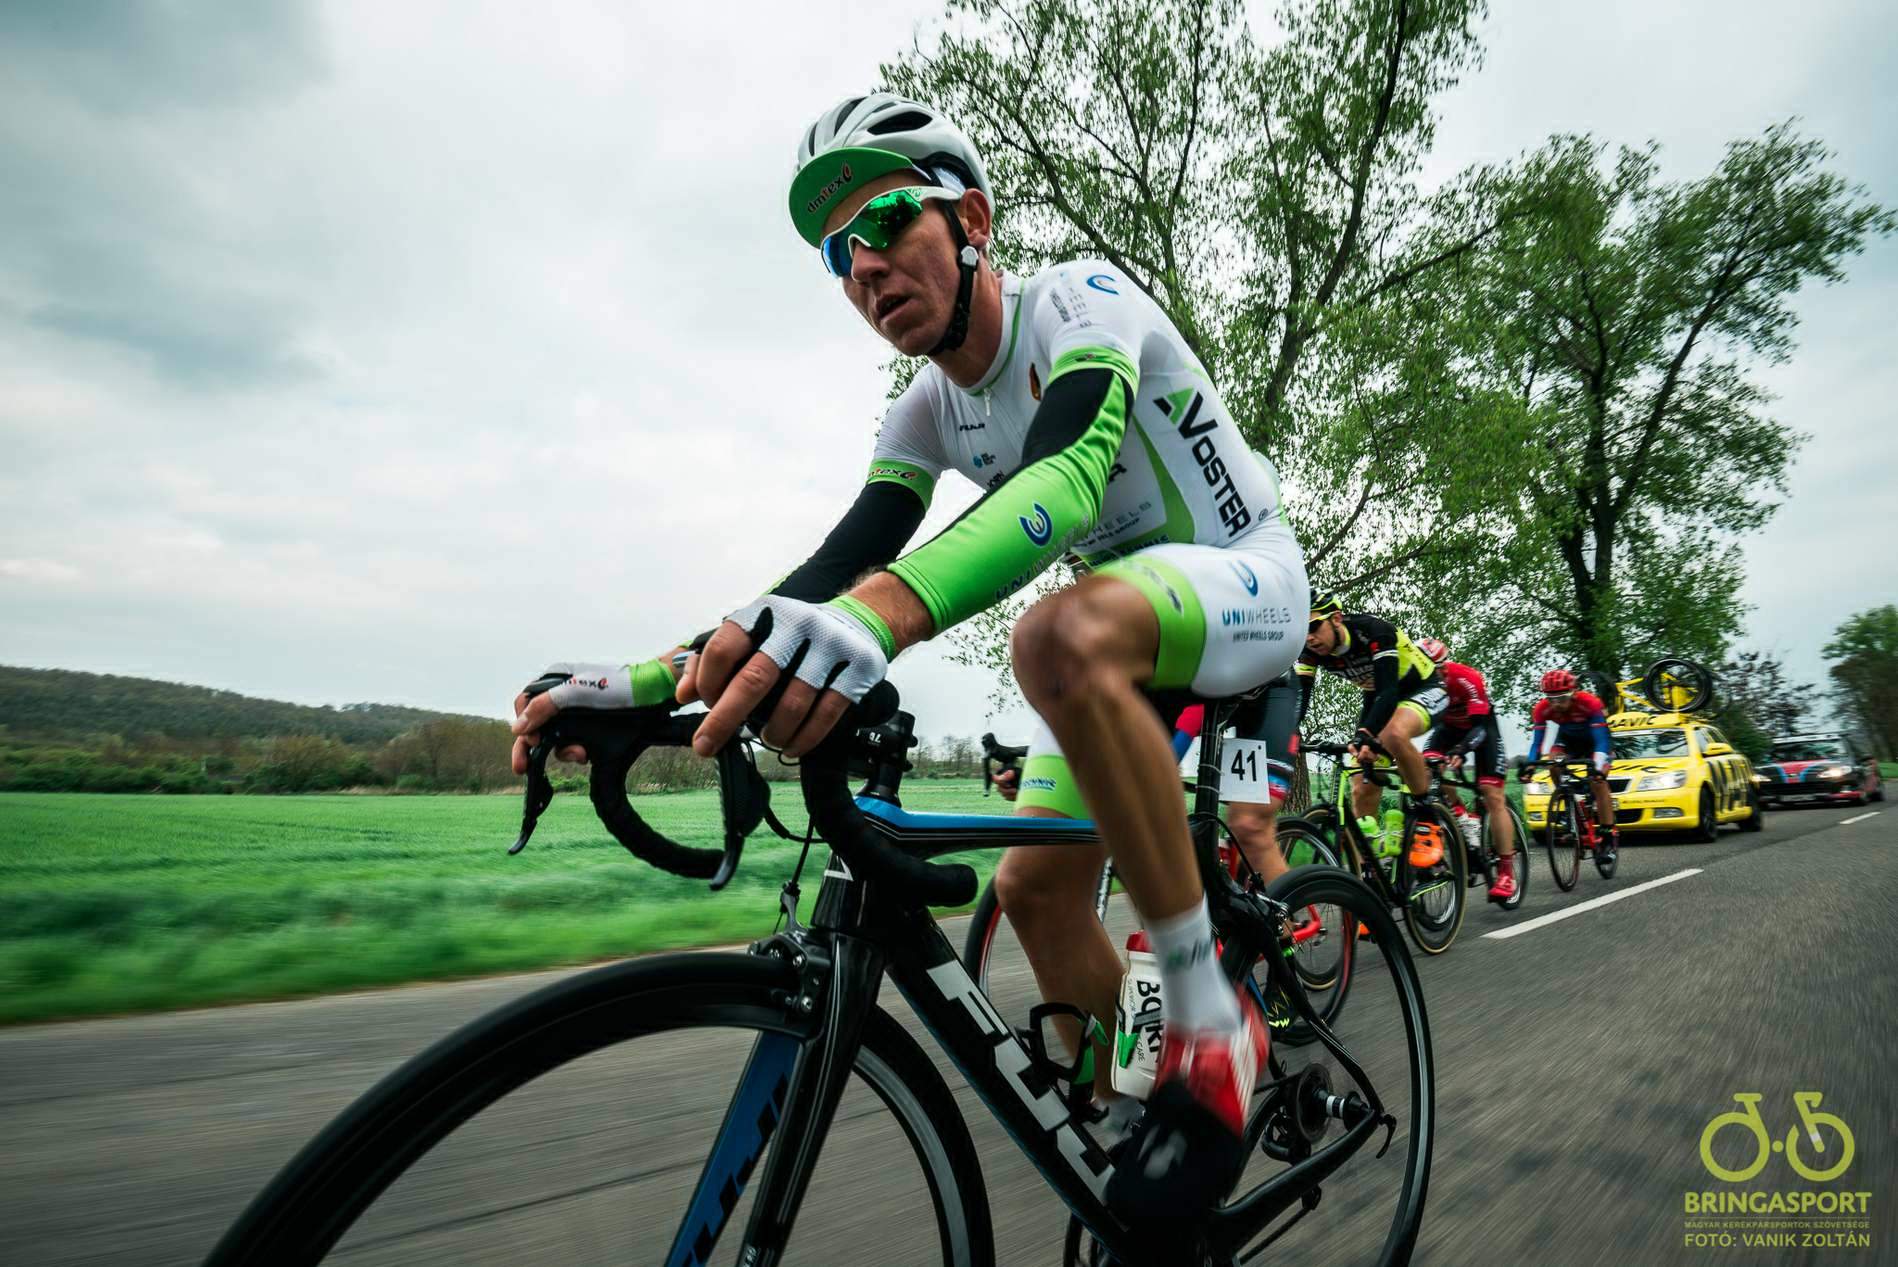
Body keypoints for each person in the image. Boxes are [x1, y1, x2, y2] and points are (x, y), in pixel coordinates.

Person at [508, 92, 1308, 1225]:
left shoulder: (1081, 300)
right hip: (1125, 621)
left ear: (970, 220)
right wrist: (644, 681)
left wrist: (884, 616)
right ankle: (1137, 1135)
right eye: (839, 254)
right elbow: (833, 567)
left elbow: (1070, 469)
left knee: (1054, 632)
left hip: (1243, 577)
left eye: (885, 222)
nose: (865, 267)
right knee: (1032, 892)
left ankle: (1210, 1027)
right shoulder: (923, 412)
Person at [1297, 595, 1449, 867]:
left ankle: (1427, 817)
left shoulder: (1374, 631)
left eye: (1314, 627)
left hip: (1421, 688)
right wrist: (1289, 732)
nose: (1309, 637)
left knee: (1393, 734)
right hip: (1377, 699)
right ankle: (1369, 869)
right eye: (1302, 630)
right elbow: (1299, 697)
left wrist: (1366, 733)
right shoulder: (1309, 651)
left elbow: (1389, 691)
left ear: (1336, 619)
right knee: (1362, 784)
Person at [1415, 637, 1517, 902]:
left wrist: (1461, 750)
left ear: (1444, 667)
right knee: (1427, 769)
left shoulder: (1466, 678)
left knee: (1491, 794)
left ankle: (1506, 872)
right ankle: (1461, 815)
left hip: (1481, 731)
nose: (1432, 676)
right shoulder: (1414, 681)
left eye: (1437, 670)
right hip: (1447, 729)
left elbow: (1480, 727)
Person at [1524, 668, 1619, 862]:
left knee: (1598, 783)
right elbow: (1537, 743)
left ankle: (1607, 835)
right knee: (1553, 763)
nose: (1556, 704)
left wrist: (1598, 769)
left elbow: (1601, 741)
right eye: (1551, 699)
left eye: (1561, 698)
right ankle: (1568, 802)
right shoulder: (1542, 709)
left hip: (1596, 744)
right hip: (1568, 741)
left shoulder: (1590, 703)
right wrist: (1529, 767)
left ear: (1574, 693)